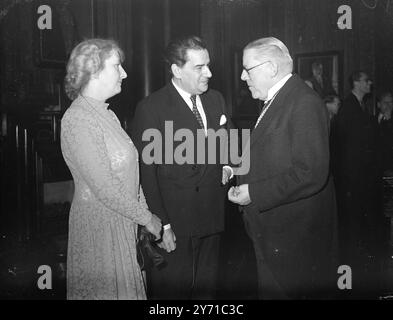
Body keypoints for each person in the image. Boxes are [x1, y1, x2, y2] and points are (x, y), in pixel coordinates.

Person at [228, 37, 338, 299]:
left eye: (247, 69)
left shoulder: (303, 102)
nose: (243, 76)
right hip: (279, 236)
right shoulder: (280, 99)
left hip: (294, 242)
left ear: (271, 68)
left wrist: (253, 192)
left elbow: (310, 172)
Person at [131, 35, 232, 300]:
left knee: (206, 293)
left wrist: (228, 168)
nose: (209, 73)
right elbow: (147, 174)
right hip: (174, 224)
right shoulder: (151, 108)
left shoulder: (216, 100)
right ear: (177, 70)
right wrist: (162, 225)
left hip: (212, 218)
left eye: (208, 65)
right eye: (199, 67)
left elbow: (231, 146)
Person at [61, 38, 162, 300]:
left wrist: (143, 212)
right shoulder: (78, 119)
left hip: (123, 224)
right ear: (94, 72)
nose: (124, 73)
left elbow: (131, 172)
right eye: (117, 66)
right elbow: (104, 188)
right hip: (101, 231)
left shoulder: (107, 114)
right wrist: (147, 218)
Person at [335, 71, 382, 289]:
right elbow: (349, 151)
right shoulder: (349, 108)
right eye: (366, 80)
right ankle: (351, 281)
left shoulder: (358, 106)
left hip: (356, 181)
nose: (370, 82)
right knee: (352, 230)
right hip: (352, 182)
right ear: (356, 83)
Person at [376, 91, 393, 173]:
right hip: (376, 166)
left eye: (391, 102)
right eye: (385, 102)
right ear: (378, 104)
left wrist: (389, 120)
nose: (389, 105)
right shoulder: (371, 120)